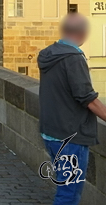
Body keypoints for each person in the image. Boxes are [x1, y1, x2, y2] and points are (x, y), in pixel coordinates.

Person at [38, 12, 106, 204]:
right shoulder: (73, 58)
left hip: (52, 133)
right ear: (83, 33)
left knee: (65, 187)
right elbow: (87, 98)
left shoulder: (49, 53)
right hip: (70, 137)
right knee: (69, 194)